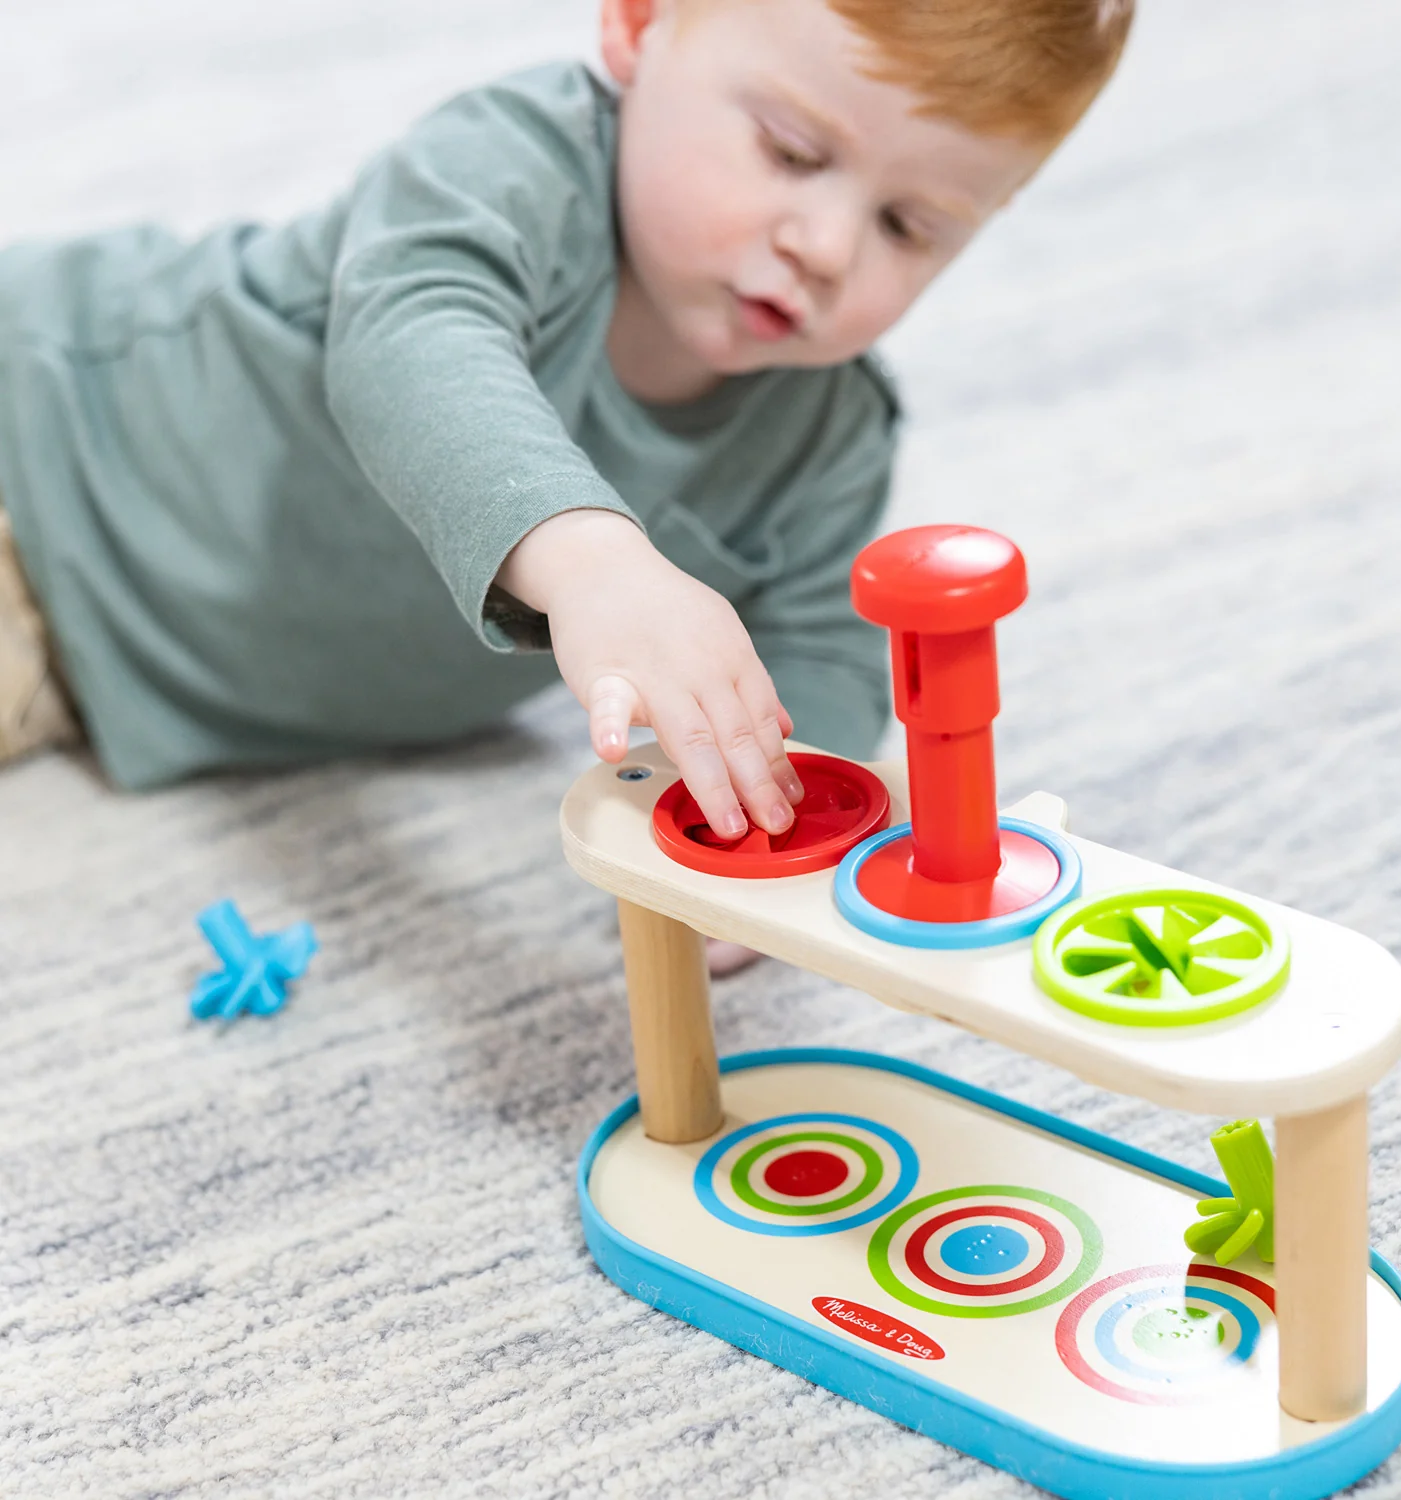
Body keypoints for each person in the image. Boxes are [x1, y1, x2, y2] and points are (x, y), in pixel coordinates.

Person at [0, 0, 1132, 971]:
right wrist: (593, 557)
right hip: (40, 448)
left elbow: (818, 662)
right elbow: (411, 340)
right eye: (791, 150)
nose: (829, 244)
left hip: (104, 665)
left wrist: (764, 845)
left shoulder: (828, 436)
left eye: (908, 225)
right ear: (640, 21)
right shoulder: (509, 163)